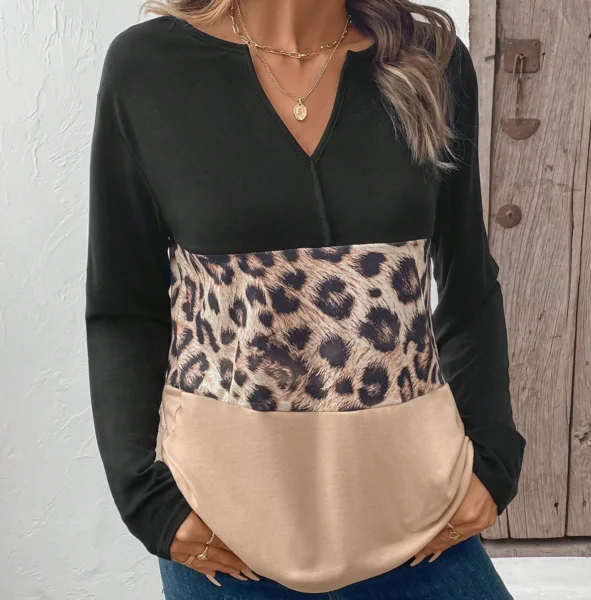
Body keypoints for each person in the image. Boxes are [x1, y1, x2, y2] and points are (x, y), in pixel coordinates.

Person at [85, 1, 526, 598]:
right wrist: (147, 500)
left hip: (417, 513)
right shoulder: (148, 69)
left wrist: (493, 461)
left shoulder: (430, 62)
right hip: (224, 531)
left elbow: (467, 282)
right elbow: (123, 305)